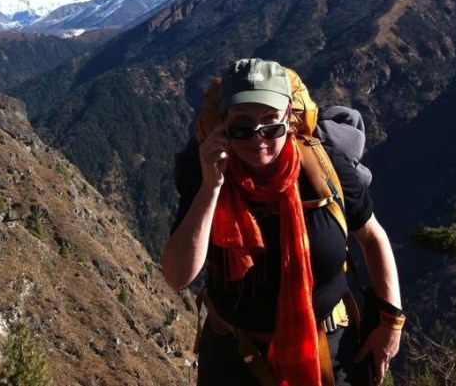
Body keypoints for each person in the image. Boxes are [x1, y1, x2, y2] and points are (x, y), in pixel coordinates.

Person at [161, 58, 402, 386]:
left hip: (328, 350)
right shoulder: (206, 174)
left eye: (271, 124)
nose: (257, 138)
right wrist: (210, 187)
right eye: (242, 126)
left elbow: (372, 236)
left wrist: (391, 323)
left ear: (289, 120)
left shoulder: (325, 169)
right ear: (223, 124)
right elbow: (177, 276)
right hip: (234, 357)